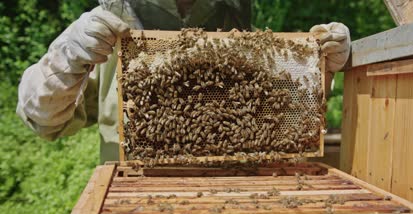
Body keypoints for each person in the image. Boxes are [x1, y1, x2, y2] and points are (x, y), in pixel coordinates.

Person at [17, 0, 351, 163]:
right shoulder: (104, 35)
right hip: (131, 206)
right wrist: (66, 57)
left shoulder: (238, 38)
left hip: (228, 200)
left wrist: (319, 69)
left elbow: (278, 115)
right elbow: (43, 120)